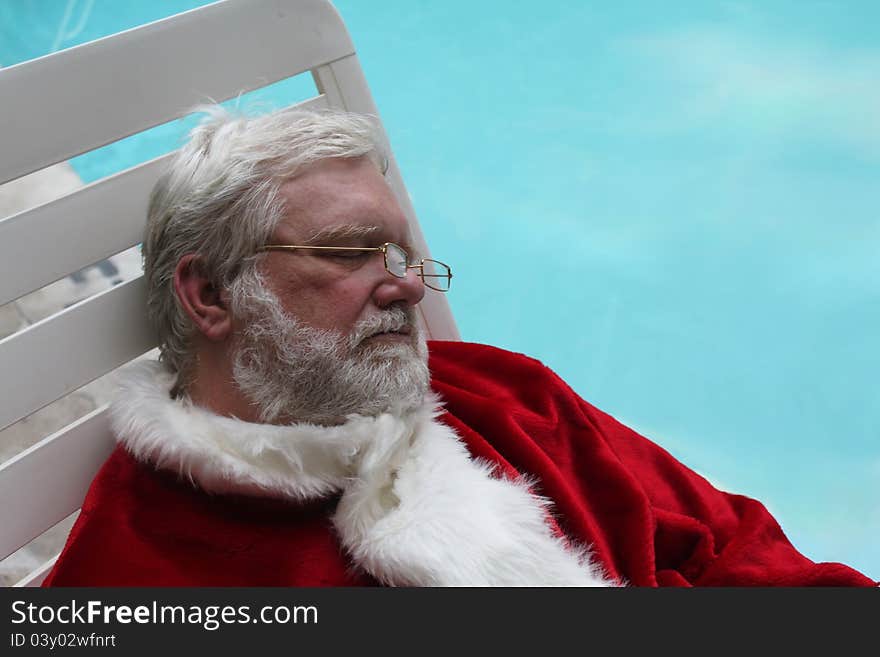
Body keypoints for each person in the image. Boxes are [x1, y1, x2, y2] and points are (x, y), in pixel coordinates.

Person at [44, 106, 875, 587]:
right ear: (211, 294)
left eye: (400, 253)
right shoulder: (137, 568)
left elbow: (733, 546)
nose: (406, 284)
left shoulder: (505, 394)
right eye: (347, 252)